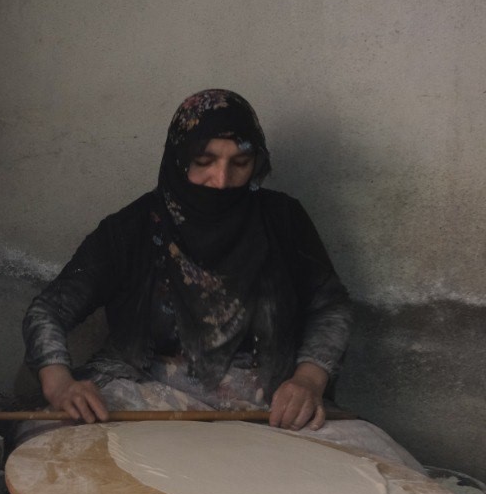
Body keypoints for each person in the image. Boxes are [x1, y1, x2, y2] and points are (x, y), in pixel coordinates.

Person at [23, 89, 351, 431]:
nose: (222, 181)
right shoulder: (131, 229)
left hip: (265, 403)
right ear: (178, 159)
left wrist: (309, 381)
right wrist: (59, 383)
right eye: (204, 162)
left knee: (376, 468)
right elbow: (47, 311)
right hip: (144, 394)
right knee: (45, 440)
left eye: (240, 163)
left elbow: (330, 307)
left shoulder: (283, 220)